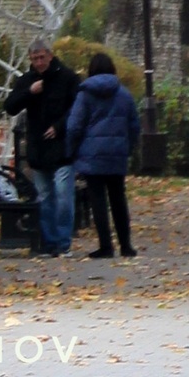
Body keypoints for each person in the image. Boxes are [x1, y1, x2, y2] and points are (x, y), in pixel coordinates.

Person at [2, 39, 81, 257]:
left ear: (50, 55)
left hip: (62, 148)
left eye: (42, 57)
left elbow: (77, 107)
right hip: (38, 148)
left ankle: (63, 242)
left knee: (63, 195)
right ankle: (49, 242)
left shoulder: (67, 78)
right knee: (45, 196)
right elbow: (10, 106)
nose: (39, 62)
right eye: (34, 59)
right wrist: (29, 92)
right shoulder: (27, 81)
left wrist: (60, 126)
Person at [65, 50, 142, 259]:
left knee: (98, 200)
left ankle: (105, 246)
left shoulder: (85, 94)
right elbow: (134, 125)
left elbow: (74, 126)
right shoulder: (124, 94)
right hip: (117, 153)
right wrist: (128, 147)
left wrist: (72, 150)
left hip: (92, 155)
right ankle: (126, 245)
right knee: (118, 197)